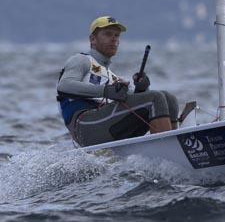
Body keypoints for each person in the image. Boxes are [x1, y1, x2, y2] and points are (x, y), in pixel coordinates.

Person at [56, 16, 179, 147]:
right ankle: (168, 149)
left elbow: (140, 104)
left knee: (168, 98)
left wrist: (142, 89)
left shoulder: (113, 77)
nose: (114, 39)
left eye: (117, 35)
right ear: (92, 39)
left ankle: (177, 146)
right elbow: (64, 86)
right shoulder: (81, 60)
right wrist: (105, 91)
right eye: (108, 34)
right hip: (85, 127)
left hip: (107, 123)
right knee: (156, 98)